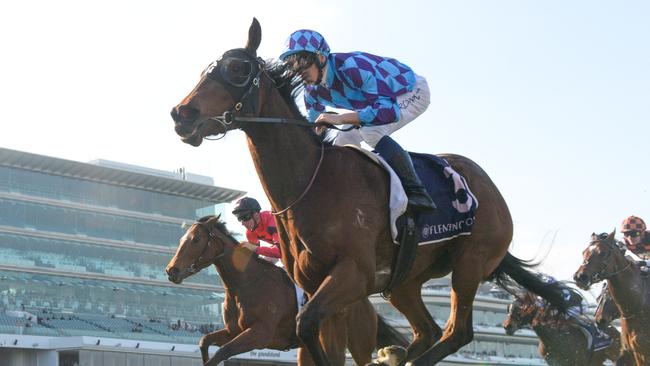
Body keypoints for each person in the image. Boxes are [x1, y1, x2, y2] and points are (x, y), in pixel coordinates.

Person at [279, 30, 436, 212]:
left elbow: (387, 112)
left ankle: (418, 193)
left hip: (409, 91)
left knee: (371, 131)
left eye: (302, 63)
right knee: (342, 142)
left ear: (320, 57)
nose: (299, 72)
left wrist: (338, 119)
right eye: (292, 66)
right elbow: (314, 129)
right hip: (377, 103)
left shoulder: (352, 68)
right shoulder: (311, 91)